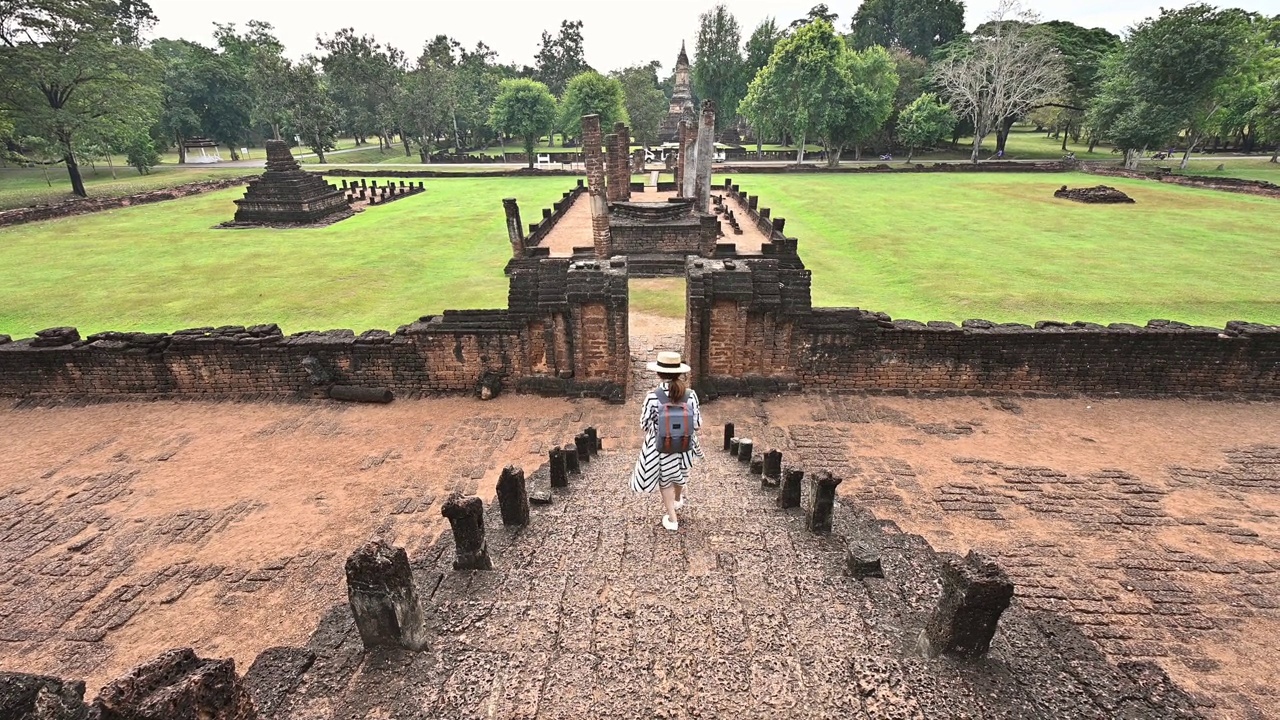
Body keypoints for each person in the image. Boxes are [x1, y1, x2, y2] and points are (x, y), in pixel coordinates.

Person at [630, 351, 702, 531]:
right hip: (685, 444)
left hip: (662, 446)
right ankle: (678, 500)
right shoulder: (690, 395)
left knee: (666, 480)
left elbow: (644, 424)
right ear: (679, 372)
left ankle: (672, 519)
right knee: (680, 473)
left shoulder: (652, 397)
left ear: (658, 373)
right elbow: (697, 424)